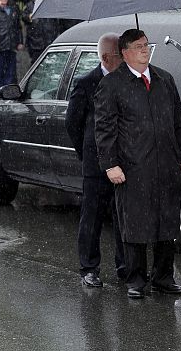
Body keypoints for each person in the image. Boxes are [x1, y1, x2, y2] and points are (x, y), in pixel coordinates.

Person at [94, 28, 181, 299]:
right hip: (132, 167)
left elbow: (178, 121)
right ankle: (135, 278)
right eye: (138, 46)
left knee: (167, 223)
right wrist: (110, 164)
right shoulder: (112, 84)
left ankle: (163, 277)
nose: (145, 50)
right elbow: (104, 128)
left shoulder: (164, 79)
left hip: (165, 165)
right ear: (124, 53)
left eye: (146, 45)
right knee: (135, 223)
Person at [65, 32, 126, 289]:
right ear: (106, 58)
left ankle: (126, 267)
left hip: (123, 162)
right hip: (95, 164)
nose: (124, 60)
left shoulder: (126, 80)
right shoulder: (87, 83)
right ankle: (89, 268)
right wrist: (87, 154)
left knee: (123, 216)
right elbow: (73, 123)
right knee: (92, 217)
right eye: (119, 56)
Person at [23, 0, 60, 64]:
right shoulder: (29, 6)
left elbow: (55, 22)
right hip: (35, 43)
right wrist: (29, 17)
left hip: (49, 41)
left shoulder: (49, 4)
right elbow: (24, 18)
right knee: (36, 64)